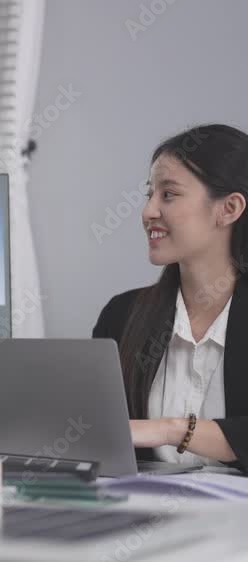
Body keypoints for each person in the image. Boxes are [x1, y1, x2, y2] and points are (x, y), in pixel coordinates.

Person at [93, 124, 248, 469]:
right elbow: (101, 436)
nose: (149, 211)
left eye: (169, 195)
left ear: (229, 208)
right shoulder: (122, 314)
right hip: (143, 514)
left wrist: (170, 429)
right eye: (150, 195)